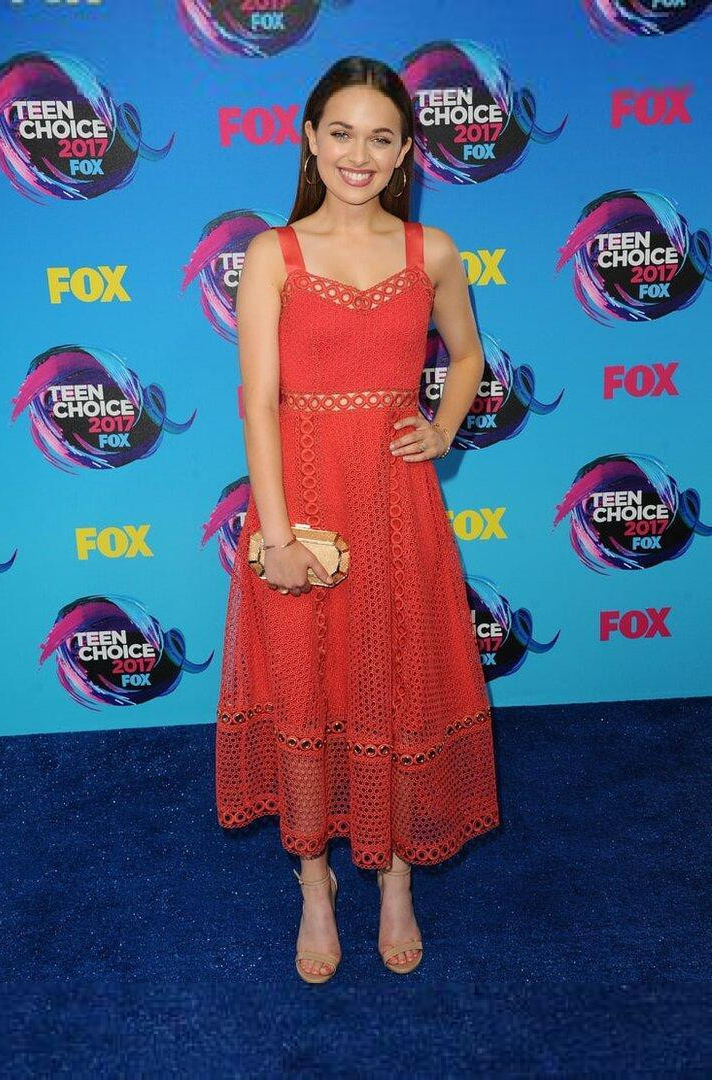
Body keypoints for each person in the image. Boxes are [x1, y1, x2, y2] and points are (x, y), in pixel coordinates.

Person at [215, 55, 500, 984]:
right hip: (298, 496)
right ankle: (313, 881)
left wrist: (442, 428)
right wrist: (276, 536)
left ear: (407, 150)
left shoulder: (432, 251)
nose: (358, 154)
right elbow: (260, 403)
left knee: (401, 673)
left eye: (381, 137)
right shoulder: (274, 253)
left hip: (395, 499)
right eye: (340, 132)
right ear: (309, 138)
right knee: (306, 679)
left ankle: (395, 877)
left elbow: (467, 356)